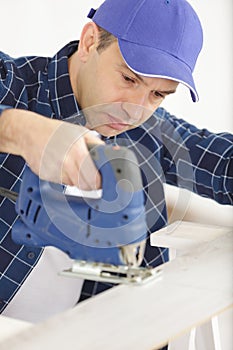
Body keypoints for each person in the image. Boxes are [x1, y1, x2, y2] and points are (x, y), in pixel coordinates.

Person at [0, 0, 232, 328]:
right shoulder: (11, 83)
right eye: (129, 79)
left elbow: (224, 164)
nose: (136, 111)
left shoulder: (150, 134)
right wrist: (15, 129)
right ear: (89, 41)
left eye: (158, 95)